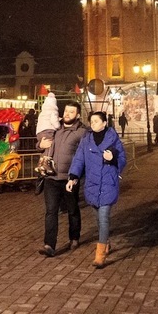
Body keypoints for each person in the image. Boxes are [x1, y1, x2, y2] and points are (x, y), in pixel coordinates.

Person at [67, 111, 126, 268]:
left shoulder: (113, 139)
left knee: (104, 216)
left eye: (96, 121)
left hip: (108, 183)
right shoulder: (86, 140)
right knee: (98, 219)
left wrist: (112, 159)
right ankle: (105, 242)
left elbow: (122, 159)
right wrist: (73, 177)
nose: (92, 124)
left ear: (104, 123)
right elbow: (79, 159)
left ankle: (100, 255)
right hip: (92, 184)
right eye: (91, 121)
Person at [39, 101, 87, 257]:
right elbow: (41, 140)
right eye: (66, 111)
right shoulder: (55, 128)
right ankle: (49, 244)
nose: (67, 114)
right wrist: (40, 144)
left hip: (69, 179)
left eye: (71, 112)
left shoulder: (82, 132)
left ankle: (74, 236)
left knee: (72, 210)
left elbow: (85, 155)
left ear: (78, 115)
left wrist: (77, 176)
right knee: (51, 211)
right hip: (51, 177)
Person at [34, 92, 60, 175]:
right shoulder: (53, 111)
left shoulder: (42, 112)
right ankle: (46, 162)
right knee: (50, 145)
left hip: (39, 132)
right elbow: (54, 121)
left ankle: (40, 164)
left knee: (46, 146)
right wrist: (58, 126)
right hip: (48, 130)